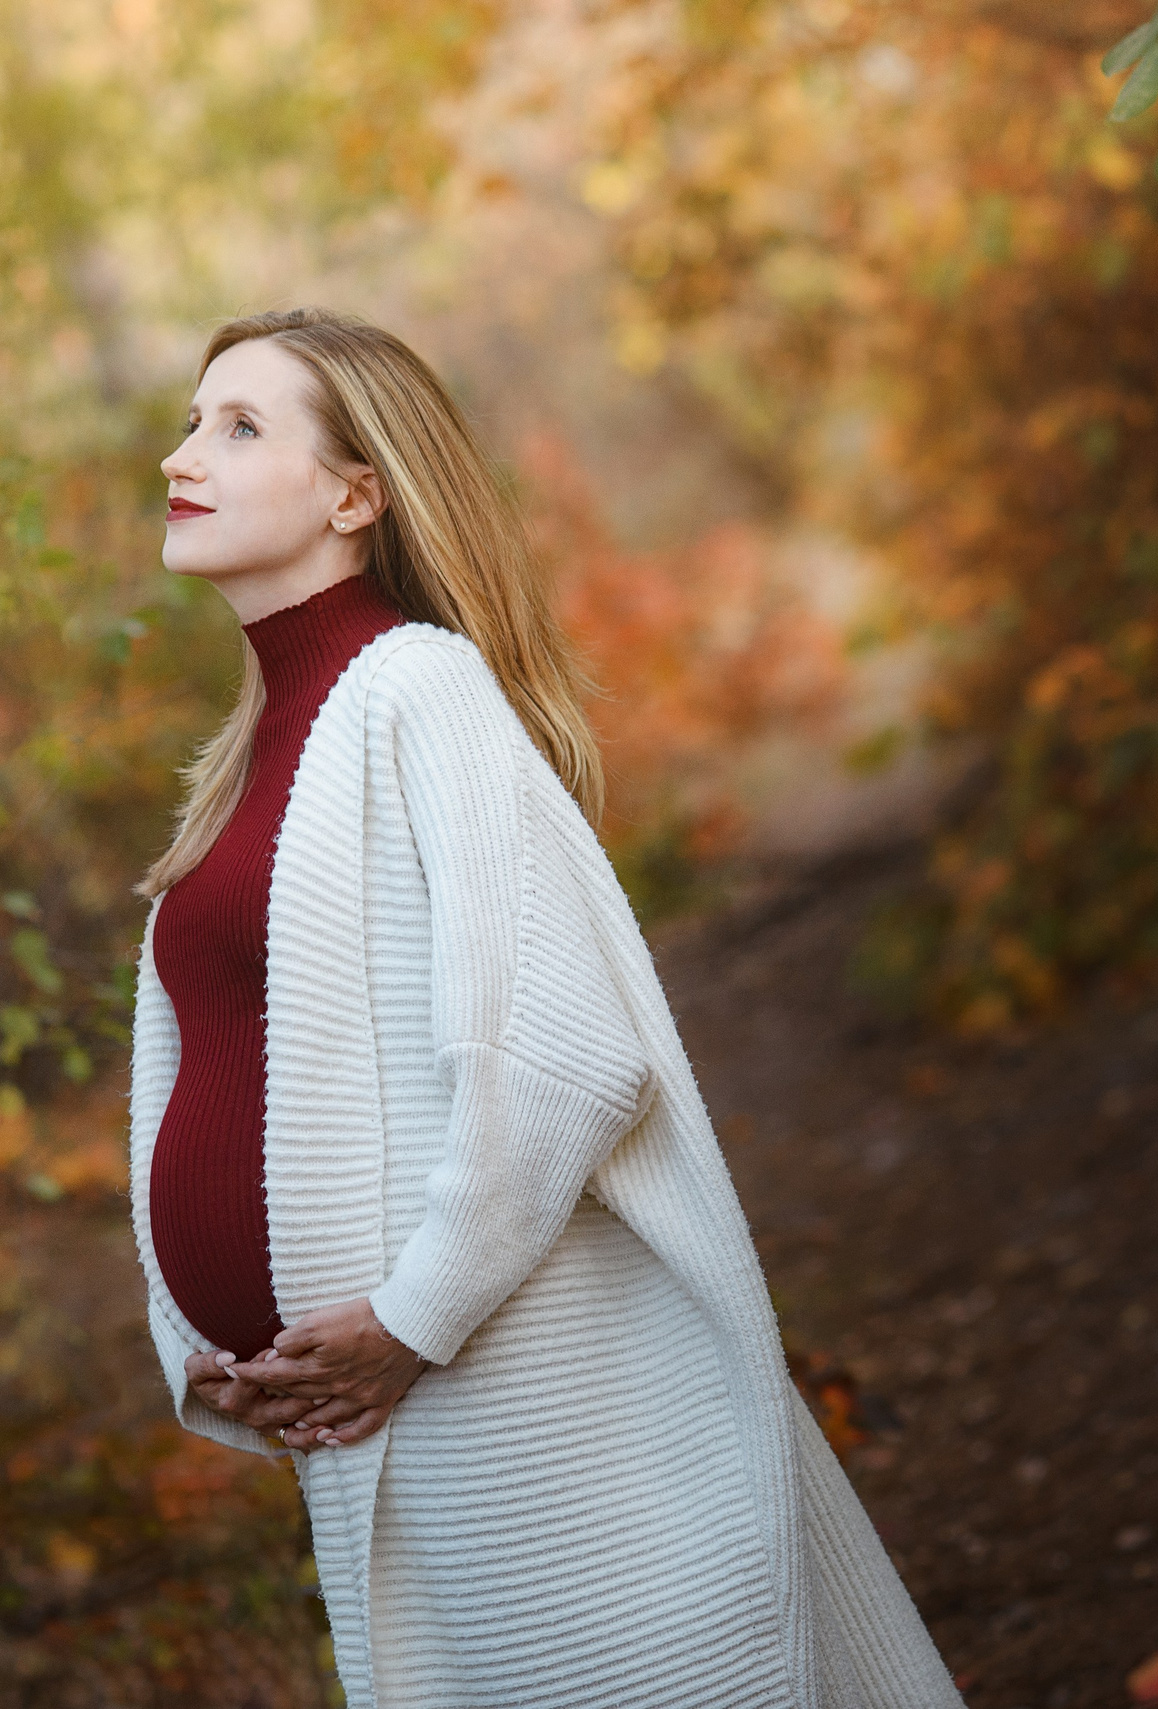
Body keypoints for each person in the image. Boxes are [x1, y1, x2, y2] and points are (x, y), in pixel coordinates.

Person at [127, 307, 960, 1709]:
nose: (181, 455)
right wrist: (202, 1348)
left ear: (355, 495)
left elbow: (559, 1053)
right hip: (375, 1422)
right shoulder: (253, 751)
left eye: (240, 426)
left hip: (513, 1387)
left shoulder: (419, 691)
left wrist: (415, 1311)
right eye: (192, 420)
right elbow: (210, 1061)